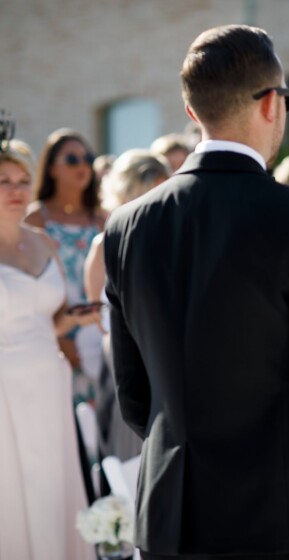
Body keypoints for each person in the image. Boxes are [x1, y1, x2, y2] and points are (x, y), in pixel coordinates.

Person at [103, 25, 289, 560]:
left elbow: (136, 399)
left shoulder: (126, 226)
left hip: (171, 520)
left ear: (193, 114)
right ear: (270, 105)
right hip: (281, 518)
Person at [0, 139, 94, 559]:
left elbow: (47, 322)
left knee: (54, 489)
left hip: (51, 381)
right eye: (3, 181)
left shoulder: (43, 241)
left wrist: (73, 319)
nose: (15, 189)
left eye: (21, 179)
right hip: (6, 389)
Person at [84, 149, 170, 462]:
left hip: (162, 358)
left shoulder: (170, 240)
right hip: (123, 360)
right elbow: (97, 312)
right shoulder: (105, 244)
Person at [25, 128, 107, 404]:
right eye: (72, 159)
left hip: (101, 341)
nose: (82, 166)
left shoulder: (104, 219)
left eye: (87, 158)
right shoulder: (35, 220)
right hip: (54, 342)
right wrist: (60, 341)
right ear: (51, 169)